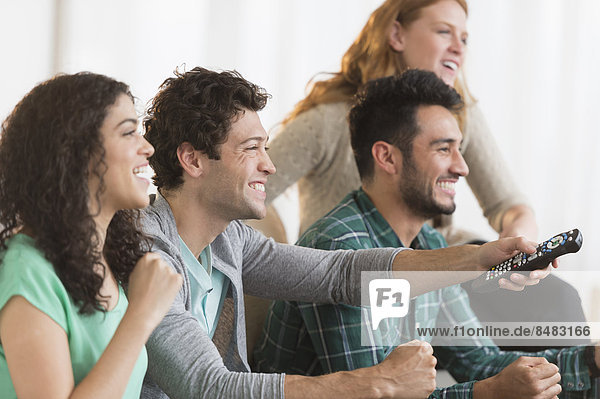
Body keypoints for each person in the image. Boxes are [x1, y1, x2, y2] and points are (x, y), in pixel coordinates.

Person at [139, 66, 549, 399]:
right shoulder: (148, 251)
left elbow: (340, 275)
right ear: (192, 159)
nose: (270, 165)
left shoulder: (230, 241)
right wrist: (378, 383)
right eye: (251, 149)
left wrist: (477, 257)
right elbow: (209, 387)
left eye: (265, 148)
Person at [253, 71, 597, 398]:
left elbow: (477, 361)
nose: (462, 167)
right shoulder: (337, 246)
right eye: (444, 149)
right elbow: (378, 393)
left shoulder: (430, 244)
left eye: (459, 149)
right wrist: (489, 393)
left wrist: (591, 362)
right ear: (387, 157)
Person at [262, 0, 536, 243]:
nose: (458, 48)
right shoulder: (324, 123)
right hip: (350, 270)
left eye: (464, 39)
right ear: (396, 34)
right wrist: (277, 256)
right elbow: (245, 192)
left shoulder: (462, 115)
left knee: (551, 292)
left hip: (430, 259)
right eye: (444, 31)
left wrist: (520, 243)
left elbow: (508, 205)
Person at [0, 73, 182, 398]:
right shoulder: (28, 271)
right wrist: (140, 316)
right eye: (128, 132)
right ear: (75, 153)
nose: (148, 147)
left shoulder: (106, 256)